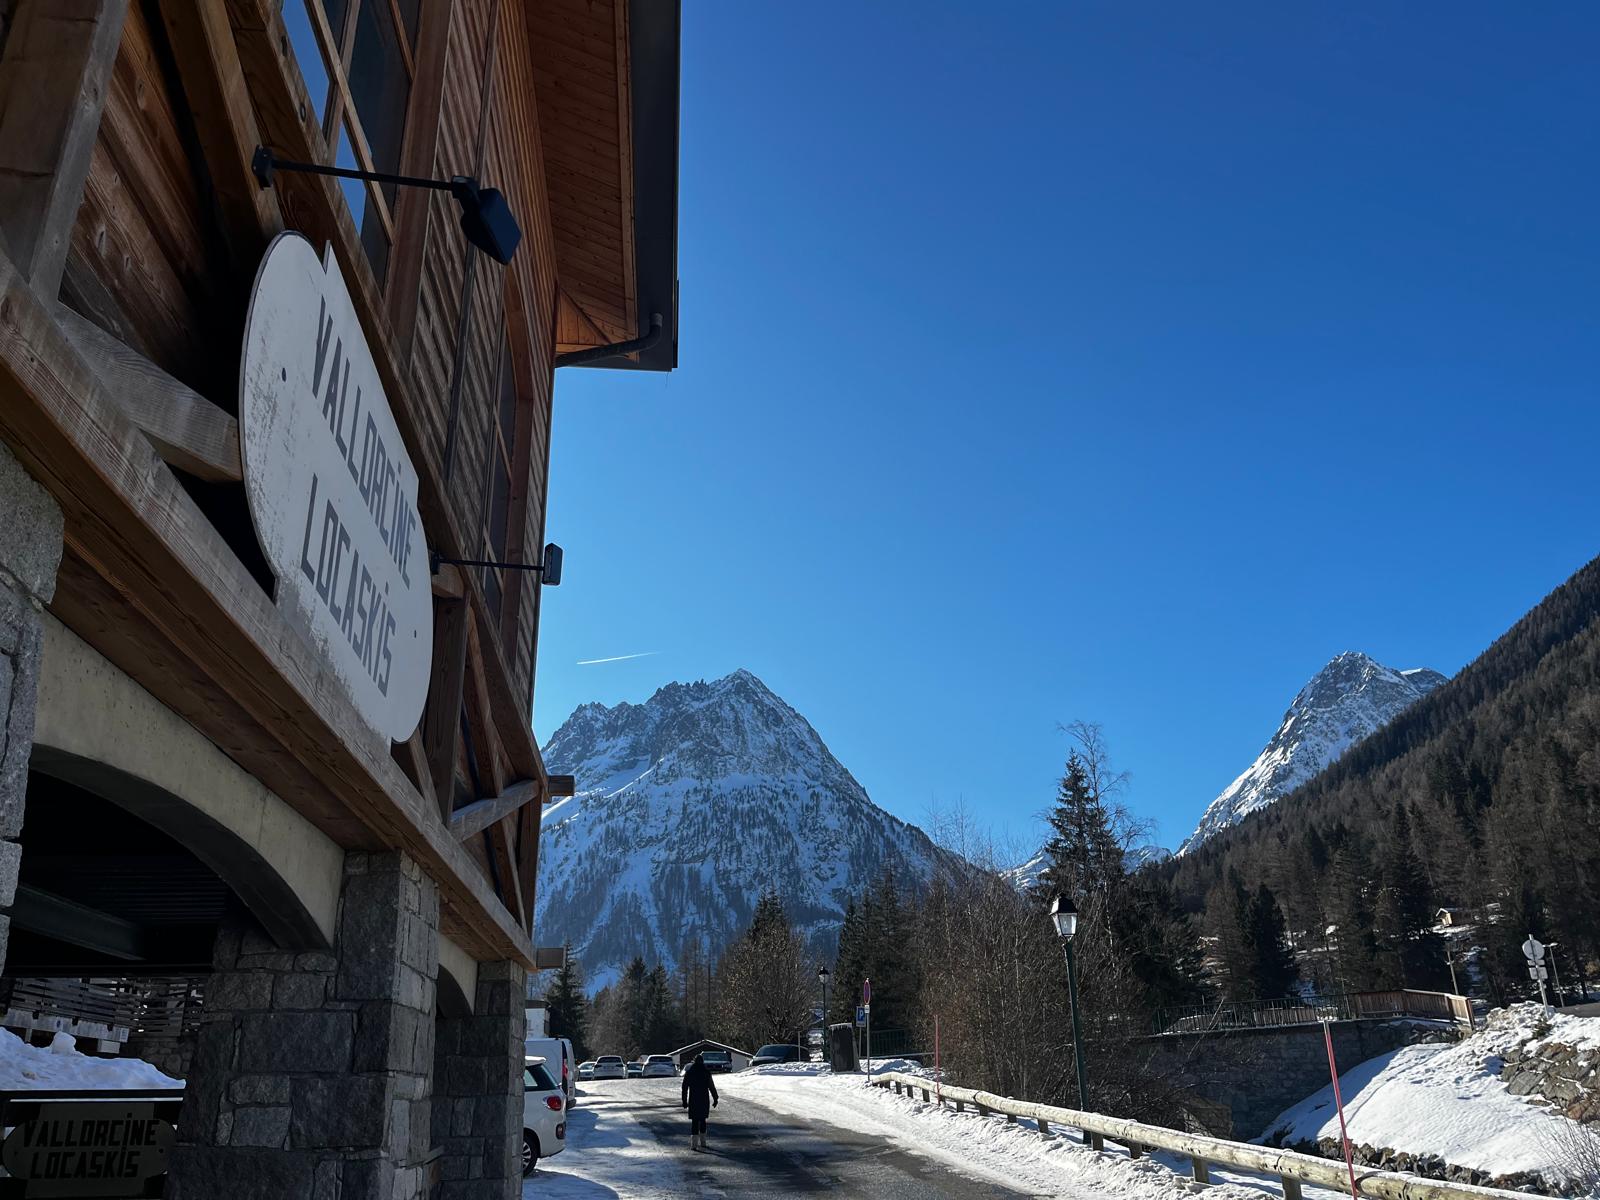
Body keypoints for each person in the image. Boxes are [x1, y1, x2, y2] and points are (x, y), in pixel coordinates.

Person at [681, 1050, 719, 1150]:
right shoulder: (706, 1072)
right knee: (702, 1120)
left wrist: (684, 1101)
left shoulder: (690, 1073)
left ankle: (694, 1144)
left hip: (693, 1100)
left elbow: (684, 1088)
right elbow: (711, 1087)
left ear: (694, 1062)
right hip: (704, 1099)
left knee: (694, 1121)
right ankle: (703, 1142)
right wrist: (715, 1098)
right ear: (702, 1062)